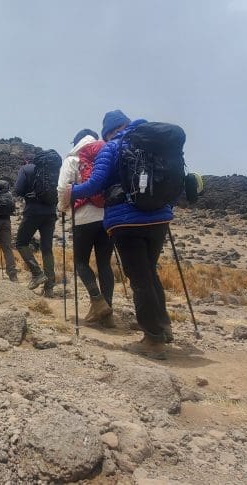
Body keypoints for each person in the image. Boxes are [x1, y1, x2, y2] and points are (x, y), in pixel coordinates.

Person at [67, 110, 175, 357]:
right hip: (159, 219)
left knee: (139, 279)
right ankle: (164, 327)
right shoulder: (155, 144)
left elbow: (96, 184)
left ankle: (153, 339)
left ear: (108, 132)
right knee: (150, 273)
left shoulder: (112, 147)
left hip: (127, 221)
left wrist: (72, 192)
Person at [59, 129, 115, 324]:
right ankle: (107, 314)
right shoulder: (106, 154)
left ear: (76, 142)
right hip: (107, 216)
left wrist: (62, 207)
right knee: (104, 264)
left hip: (83, 217)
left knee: (81, 262)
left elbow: (62, 187)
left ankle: (98, 302)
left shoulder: (72, 159)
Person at [15, 150, 61, 297]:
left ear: (26, 161)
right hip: (51, 212)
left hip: (33, 211)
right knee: (47, 248)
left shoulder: (26, 169)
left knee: (21, 242)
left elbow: (18, 190)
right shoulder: (52, 171)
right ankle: (49, 288)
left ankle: (37, 273)